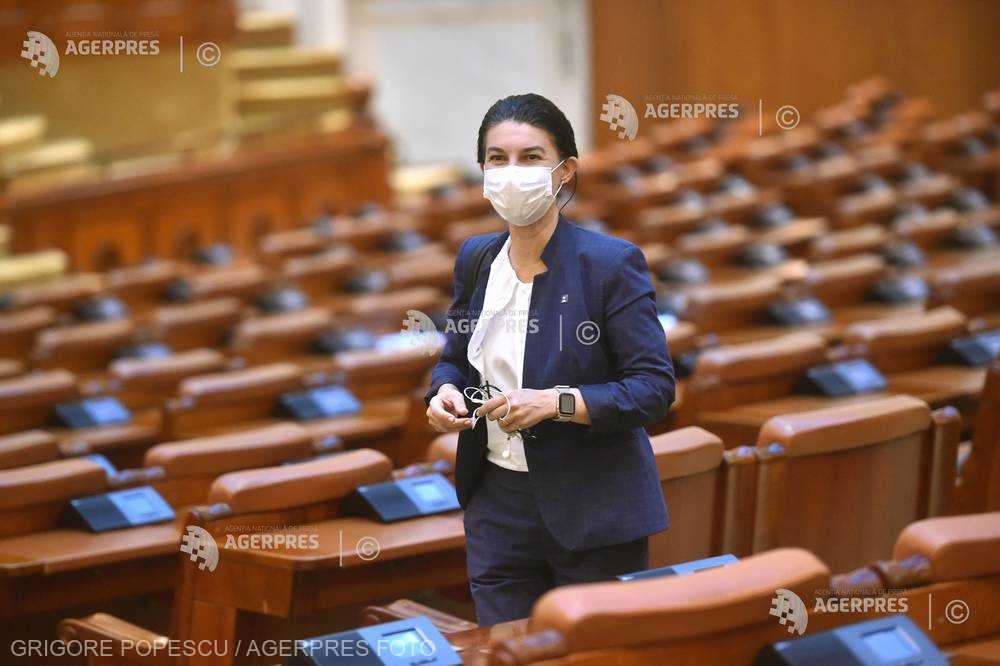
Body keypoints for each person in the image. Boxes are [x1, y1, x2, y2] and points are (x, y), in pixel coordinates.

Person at [426, 93, 675, 625]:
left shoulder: (609, 264)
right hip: (496, 503)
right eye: (497, 158)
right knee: (507, 651)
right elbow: (454, 358)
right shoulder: (476, 258)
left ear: (565, 171)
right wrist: (443, 392)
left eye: (531, 157)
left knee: (592, 655)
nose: (511, 172)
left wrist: (558, 403)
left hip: (593, 506)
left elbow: (653, 388)